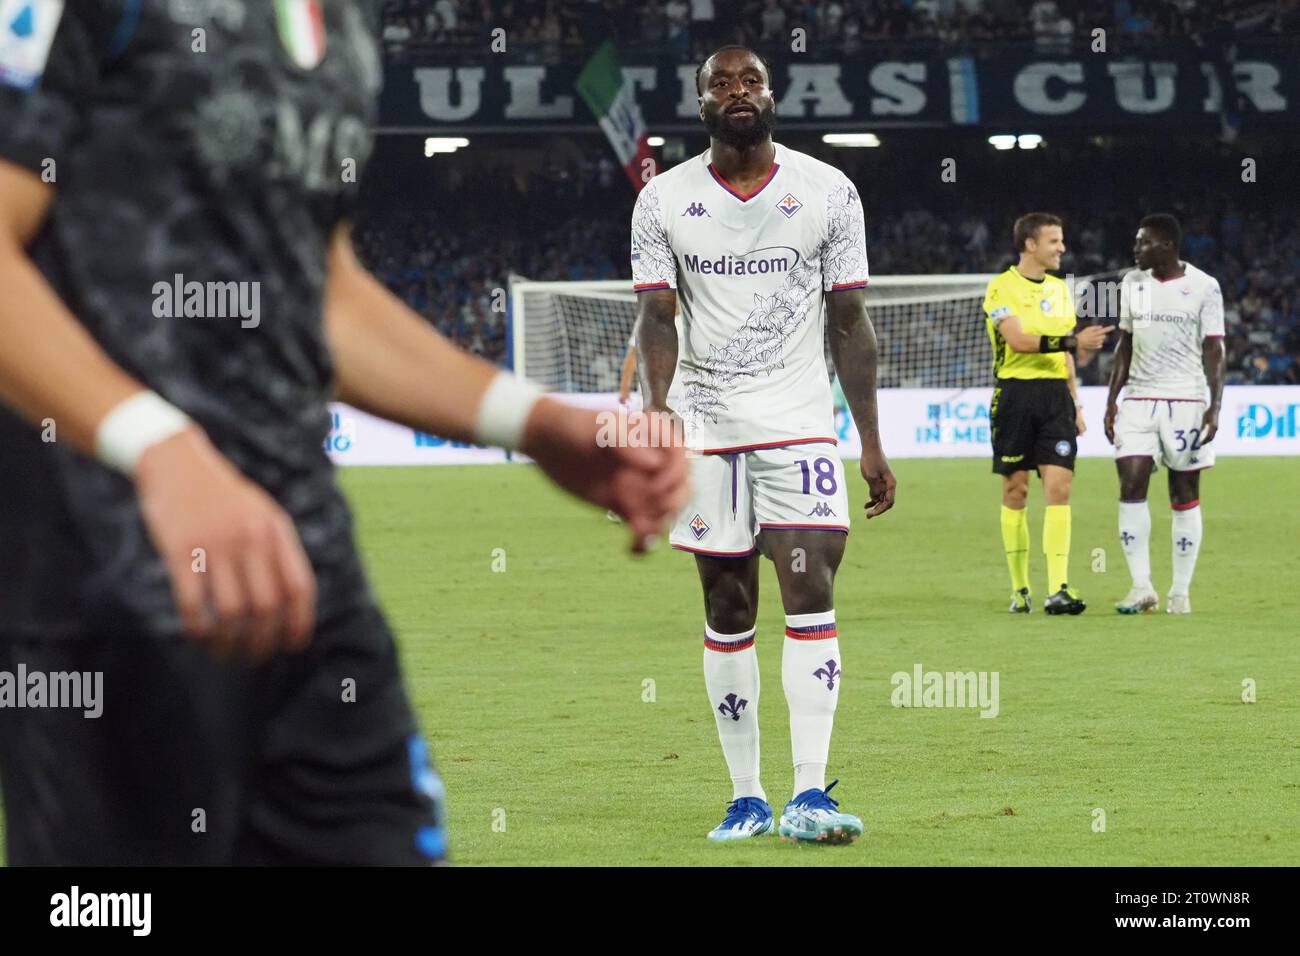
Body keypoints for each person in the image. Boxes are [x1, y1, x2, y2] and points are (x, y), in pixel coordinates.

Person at [0, 1, 685, 865]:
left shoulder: (347, 23)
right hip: (103, 585)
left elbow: (319, 286)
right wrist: (160, 448)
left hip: (301, 572)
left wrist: (533, 420)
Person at [632, 45, 896, 844]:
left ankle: (809, 793)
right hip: (708, 432)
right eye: (721, 83)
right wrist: (655, 415)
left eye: (750, 81)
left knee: (810, 590)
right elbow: (656, 319)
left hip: (800, 423)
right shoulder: (663, 200)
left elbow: (849, 323)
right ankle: (746, 795)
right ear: (701, 103)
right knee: (727, 605)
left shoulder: (829, 190)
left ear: (772, 95)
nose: (737, 92)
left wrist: (871, 441)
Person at [982, 213, 1112, 615]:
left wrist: (1076, 401)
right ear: (1030, 244)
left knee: (1059, 488)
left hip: (1056, 398)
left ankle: (1059, 588)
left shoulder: (1061, 290)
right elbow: (1018, 341)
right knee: (1016, 491)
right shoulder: (1000, 287)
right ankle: (1020, 588)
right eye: (1054, 241)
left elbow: (1069, 355)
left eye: (1062, 240)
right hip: (1015, 395)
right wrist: (1073, 340)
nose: (1062, 248)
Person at [1104, 214, 1225, 614]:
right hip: (1138, 400)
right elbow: (1126, 342)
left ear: (1167, 246)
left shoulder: (1205, 286)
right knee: (1131, 481)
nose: (1135, 249)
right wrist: (1111, 400)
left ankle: (1180, 592)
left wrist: (1215, 405)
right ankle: (1141, 587)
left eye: (1143, 243)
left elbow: (1214, 349)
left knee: (1184, 493)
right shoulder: (1132, 284)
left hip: (1186, 402)